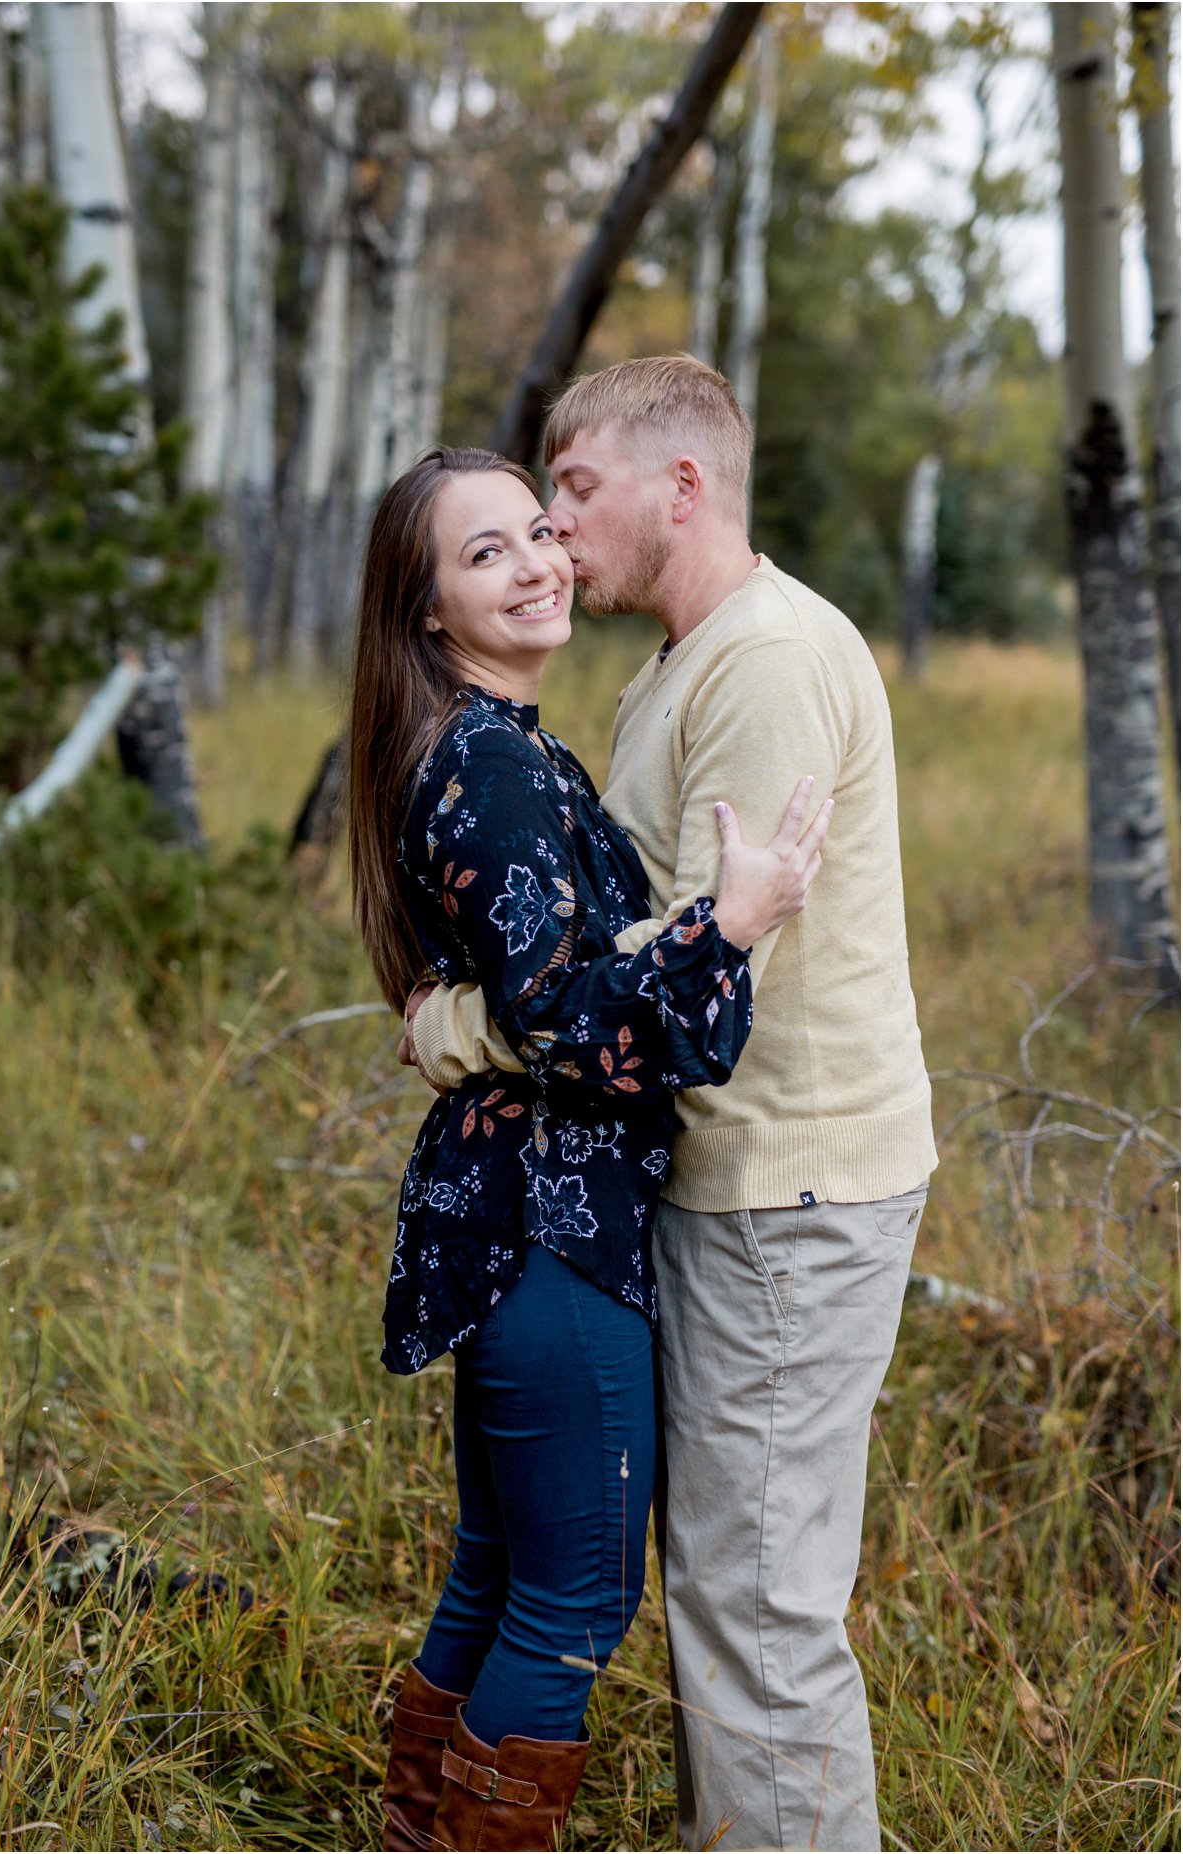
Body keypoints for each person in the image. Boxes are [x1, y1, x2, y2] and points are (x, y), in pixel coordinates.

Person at [403, 358, 938, 1853]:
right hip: (722, 1184)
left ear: (679, 486)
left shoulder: (761, 661)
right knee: (723, 1588)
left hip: (789, 1188)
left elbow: (697, 961)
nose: (556, 530)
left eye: (571, 492)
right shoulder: (675, 665)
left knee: (756, 1605)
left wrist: (465, 1020)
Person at [346, 445, 831, 1853]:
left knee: (497, 1572)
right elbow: (560, 1010)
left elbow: (521, 993)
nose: (534, 563)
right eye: (482, 553)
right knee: (568, 1600)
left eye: (535, 533)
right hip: (546, 1220)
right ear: (428, 610)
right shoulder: (490, 762)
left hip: (512, 1215)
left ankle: (416, 1829)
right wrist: (726, 925)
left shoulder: (486, 741)